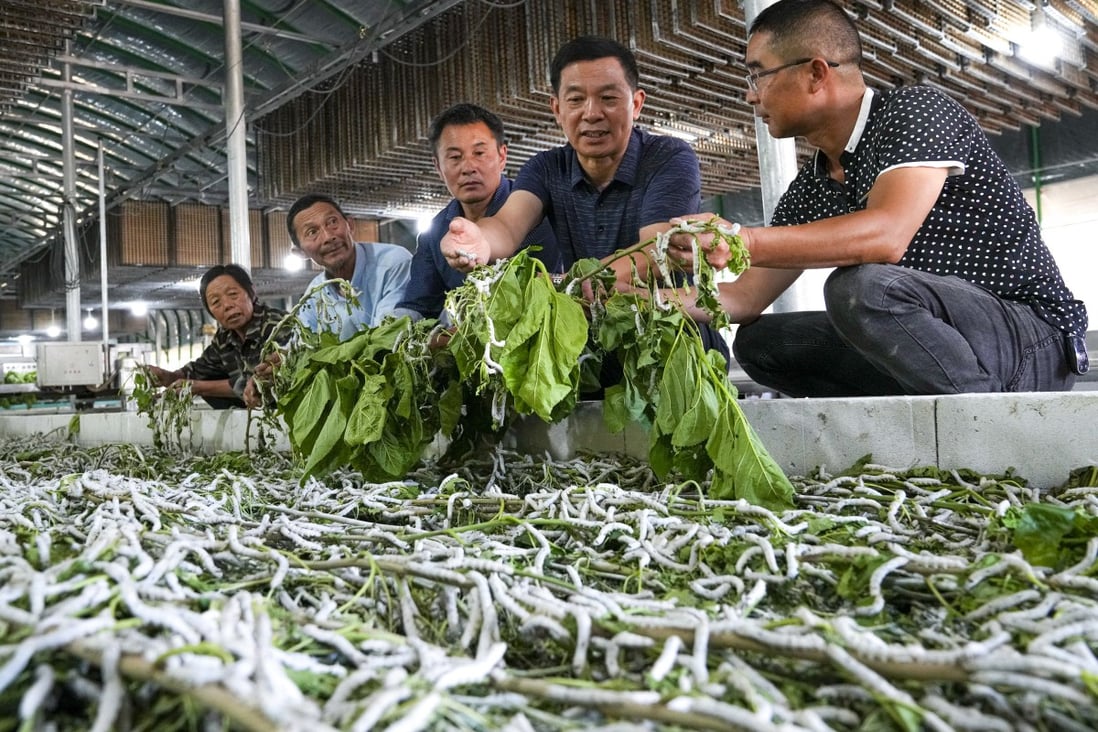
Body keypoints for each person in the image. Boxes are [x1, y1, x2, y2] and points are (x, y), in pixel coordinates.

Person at [669, 0, 1087, 397]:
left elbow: (887, 235)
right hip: (941, 351)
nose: (751, 95)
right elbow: (744, 298)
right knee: (763, 343)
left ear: (816, 74)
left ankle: (989, 427)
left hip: (1032, 340)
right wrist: (635, 303)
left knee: (861, 288)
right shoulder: (812, 185)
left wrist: (742, 239)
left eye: (757, 75)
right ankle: (926, 417)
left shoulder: (916, 111)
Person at [438, 35, 728, 356]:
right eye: (576, 100)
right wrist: (478, 240)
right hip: (591, 355)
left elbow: (657, 253)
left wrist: (561, 284)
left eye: (608, 97)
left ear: (636, 103)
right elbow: (506, 226)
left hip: (673, 346)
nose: (591, 113)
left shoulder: (668, 158)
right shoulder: (547, 168)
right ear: (557, 108)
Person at [394, 103, 560, 322]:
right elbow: (417, 306)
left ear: (502, 156)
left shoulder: (537, 208)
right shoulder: (434, 234)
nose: (468, 167)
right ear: (438, 167)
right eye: (455, 157)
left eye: (479, 153)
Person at [147, 264, 290, 409]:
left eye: (233, 295)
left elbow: (263, 383)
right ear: (210, 311)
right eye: (216, 302)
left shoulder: (277, 325)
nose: (227, 305)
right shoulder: (224, 337)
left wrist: (199, 387)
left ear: (251, 292)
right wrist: (167, 377)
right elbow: (199, 371)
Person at [288, 194, 413, 340]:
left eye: (332, 222)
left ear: (351, 225)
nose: (328, 237)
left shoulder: (393, 263)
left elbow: (389, 336)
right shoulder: (314, 295)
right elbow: (302, 344)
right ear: (300, 252)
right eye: (312, 232)